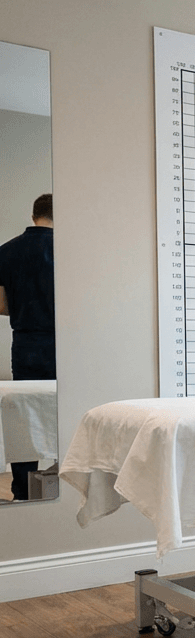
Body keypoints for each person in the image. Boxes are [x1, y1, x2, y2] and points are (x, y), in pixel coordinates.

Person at [0, 193, 55, 501]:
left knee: (24, 419)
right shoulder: (69, 250)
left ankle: (23, 489)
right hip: (64, 344)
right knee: (70, 411)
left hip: (25, 343)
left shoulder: (5, 251)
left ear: (34, 215)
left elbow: (1, 306)